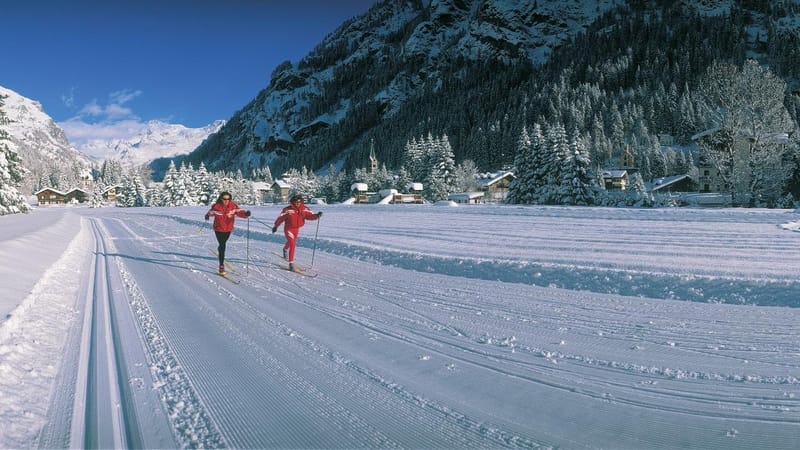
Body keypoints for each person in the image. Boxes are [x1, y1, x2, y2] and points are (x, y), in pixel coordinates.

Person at [272, 194, 322, 271]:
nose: (297, 203)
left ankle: (285, 249)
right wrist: (276, 226)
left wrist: (317, 216)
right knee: (292, 244)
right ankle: (291, 264)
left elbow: (310, 216)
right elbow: (280, 218)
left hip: (296, 229)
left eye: (299, 201)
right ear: (293, 202)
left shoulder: (304, 209)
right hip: (288, 229)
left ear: (301, 202)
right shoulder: (287, 210)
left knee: (291, 242)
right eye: (296, 202)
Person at [205, 191, 250, 274]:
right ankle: (221, 265)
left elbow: (240, 212)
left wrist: (246, 214)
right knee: (222, 245)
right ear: (221, 199)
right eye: (224, 199)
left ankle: (220, 249)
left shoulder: (233, 206)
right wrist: (207, 215)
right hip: (218, 229)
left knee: (223, 244)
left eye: (228, 199)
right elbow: (210, 212)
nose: (226, 200)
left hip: (228, 229)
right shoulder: (216, 206)